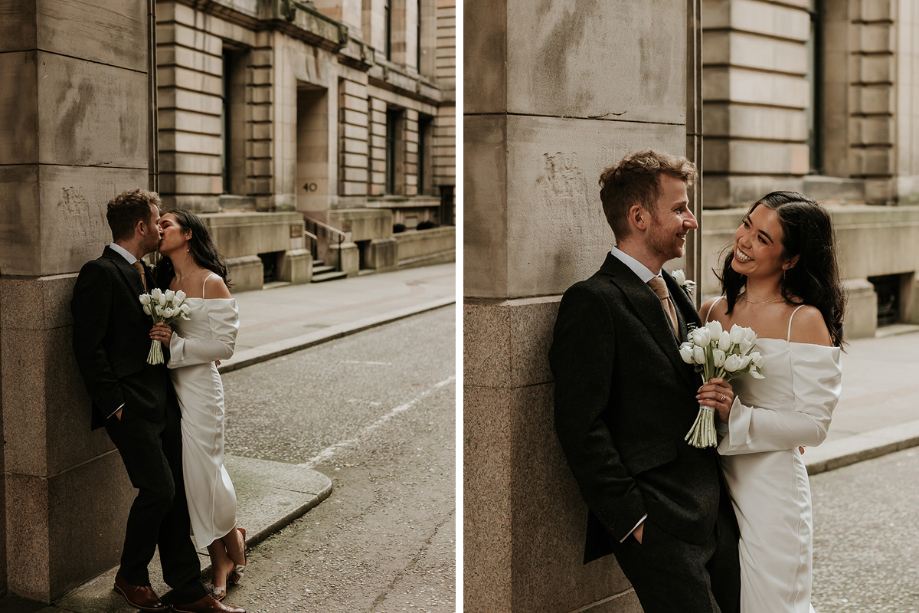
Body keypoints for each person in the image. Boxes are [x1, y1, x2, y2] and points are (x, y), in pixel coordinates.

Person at [550, 150, 741, 613]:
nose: (690, 221)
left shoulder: (673, 288)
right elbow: (580, 424)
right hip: (657, 522)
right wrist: (631, 518)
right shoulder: (593, 301)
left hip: (714, 513)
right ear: (638, 217)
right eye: (679, 209)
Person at [71, 188, 245, 613]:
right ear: (141, 227)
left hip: (165, 401)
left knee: (176, 494)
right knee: (160, 490)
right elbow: (87, 348)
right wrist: (114, 405)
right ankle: (131, 575)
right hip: (129, 407)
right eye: (156, 219)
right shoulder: (101, 271)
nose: (161, 226)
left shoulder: (149, 273)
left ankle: (187, 590)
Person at [698, 191, 844, 613]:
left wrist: (736, 414)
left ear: (790, 260)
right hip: (712, 482)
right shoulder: (711, 311)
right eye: (747, 224)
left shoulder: (804, 320)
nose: (744, 240)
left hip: (772, 489)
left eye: (763, 238)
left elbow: (815, 426)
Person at [155, 210, 247, 601]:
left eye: (167, 224)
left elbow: (224, 347)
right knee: (194, 476)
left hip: (201, 390)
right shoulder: (161, 281)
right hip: (168, 389)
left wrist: (173, 346)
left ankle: (225, 553)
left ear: (188, 234)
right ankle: (226, 544)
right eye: (156, 224)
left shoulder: (211, 283)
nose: (159, 229)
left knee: (203, 470)